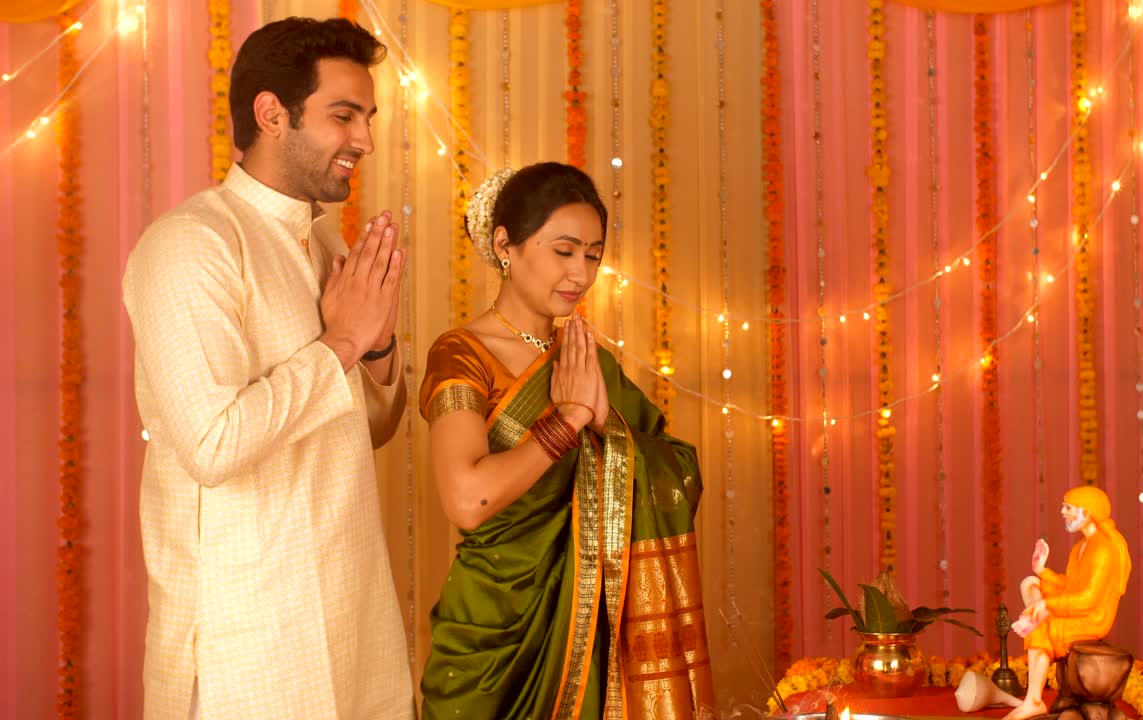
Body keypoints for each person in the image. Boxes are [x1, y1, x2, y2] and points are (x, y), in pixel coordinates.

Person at [122, 17, 414, 720]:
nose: (365, 140)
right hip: (245, 637)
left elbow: (366, 429)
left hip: (352, 617)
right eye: (343, 115)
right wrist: (341, 344)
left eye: (368, 118)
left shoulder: (326, 246)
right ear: (272, 113)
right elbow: (214, 445)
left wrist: (374, 346)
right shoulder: (192, 245)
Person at [417, 162, 716, 719]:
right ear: (504, 245)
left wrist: (607, 428)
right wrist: (569, 419)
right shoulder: (460, 355)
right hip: (493, 635)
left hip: (590, 634)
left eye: (593, 255)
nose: (580, 273)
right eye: (564, 251)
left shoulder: (586, 362)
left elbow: (679, 470)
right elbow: (467, 498)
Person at [1006, 486, 1132, 720]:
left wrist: (1047, 606)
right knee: (1030, 583)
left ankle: (1034, 702)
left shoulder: (1103, 548)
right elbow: (1071, 586)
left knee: (1041, 626)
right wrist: (1042, 571)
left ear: (1087, 512)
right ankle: (1039, 621)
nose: (1062, 512)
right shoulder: (1080, 547)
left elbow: (1088, 600)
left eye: (1068, 508)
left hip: (1092, 617)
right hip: (1078, 606)